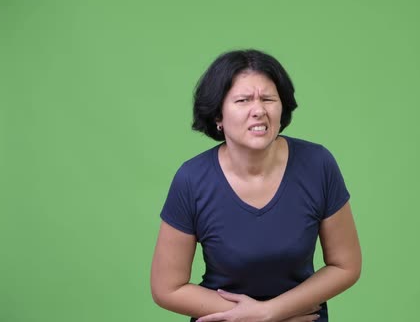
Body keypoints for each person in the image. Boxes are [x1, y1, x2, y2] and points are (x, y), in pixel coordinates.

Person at [150, 49, 361, 322]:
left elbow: (346, 265)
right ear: (218, 116)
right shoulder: (191, 179)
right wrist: (252, 317)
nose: (259, 110)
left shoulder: (317, 164)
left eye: (268, 99)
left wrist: (271, 312)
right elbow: (167, 288)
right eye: (243, 100)